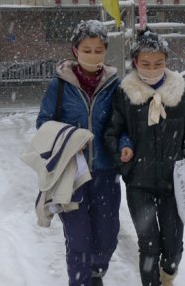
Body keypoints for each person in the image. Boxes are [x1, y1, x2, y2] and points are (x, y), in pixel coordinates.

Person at [36, 20, 129, 286]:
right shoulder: (60, 85)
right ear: (75, 50)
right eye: (87, 49)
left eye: (98, 50)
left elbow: (122, 124)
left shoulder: (115, 85)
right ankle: (80, 280)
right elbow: (43, 123)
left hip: (106, 171)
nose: (93, 55)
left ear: (105, 51)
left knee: (108, 235)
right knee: (79, 237)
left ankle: (95, 273)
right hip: (71, 174)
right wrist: (69, 139)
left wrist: (125, 144)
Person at [104, 28, 185, 286]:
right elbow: (114, 131)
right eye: (145, 63)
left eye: (158, 63)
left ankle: (167, 276)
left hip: (173, 184)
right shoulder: (125, 92)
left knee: (172, 248)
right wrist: (125, 158)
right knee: (148, 247)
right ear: (135, 62)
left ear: (166, 61)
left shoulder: (179, 91)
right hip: (139, 185)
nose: (152, 68)